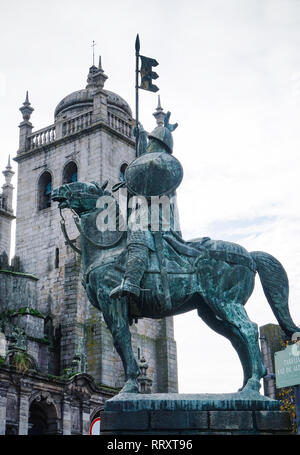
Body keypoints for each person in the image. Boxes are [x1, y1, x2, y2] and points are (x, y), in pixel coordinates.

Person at [109, 112, 180, 300]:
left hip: (157, 215)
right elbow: (140, 169)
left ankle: (131, 283)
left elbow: (145, 175)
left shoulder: (163, 165)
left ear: (158, 144)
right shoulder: (154, 162)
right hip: (147, 211)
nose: (149, 145)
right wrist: (140, 135)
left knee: (138, 234)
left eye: (151, 141)